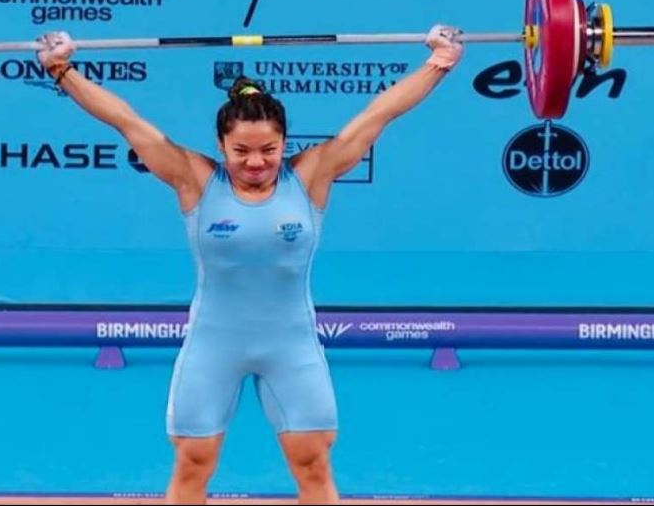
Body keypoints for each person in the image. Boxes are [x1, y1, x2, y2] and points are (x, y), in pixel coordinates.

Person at [35, 25, 463, 505]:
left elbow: (379, 114)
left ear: (285, 143)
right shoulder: (194, 179)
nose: (256, 162)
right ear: (221, 145)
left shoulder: (312, 175)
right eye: (241, 151)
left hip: (291, 344)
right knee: (194, 462)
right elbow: (125, 121)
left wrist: (440, 62)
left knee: (313, 462)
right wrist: (61, 70)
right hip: (213, 344)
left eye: (268, 150)